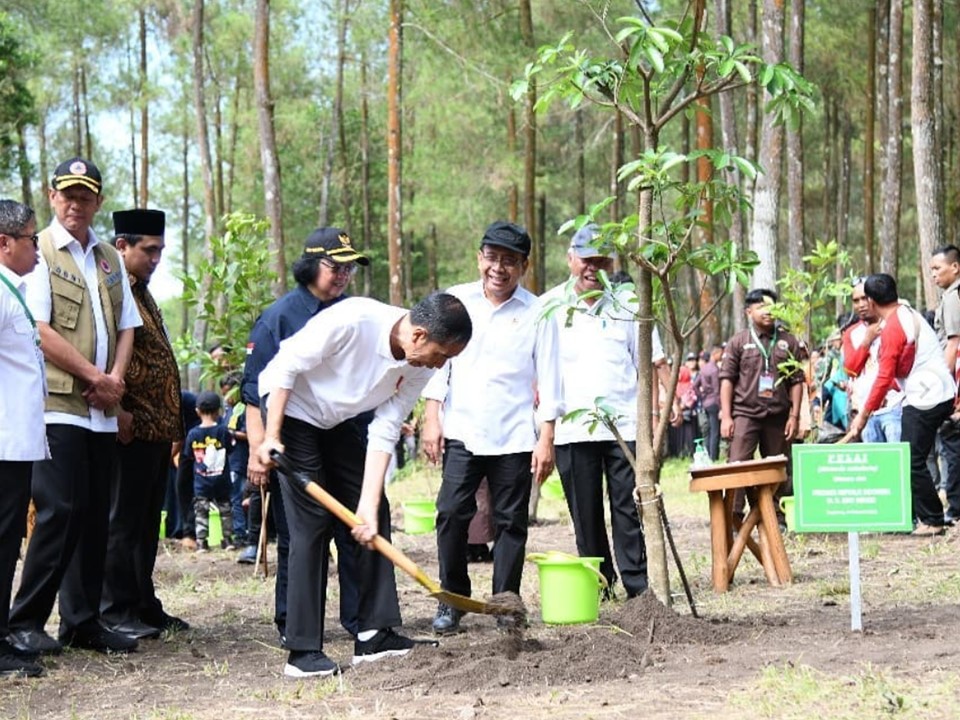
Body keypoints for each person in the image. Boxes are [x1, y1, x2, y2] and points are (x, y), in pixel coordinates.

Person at [257, 291, 472, 677]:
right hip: (290, 409)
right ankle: (303, 652)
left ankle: (374, 633)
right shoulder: (354, 320)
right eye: (442, 355)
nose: (440, 367)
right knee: (311, 526)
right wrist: (270, 435)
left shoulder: (421, 366)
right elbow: (284, 367)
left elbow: (386, 427)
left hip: (336, 419)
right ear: (419, 335)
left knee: (376, 512)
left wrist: (367, 507)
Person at [9, 158, 142, 657]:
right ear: (51, 196)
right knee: (58, 512)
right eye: (66, 194)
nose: (75, 203)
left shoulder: (108, 257)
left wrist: (116, 383)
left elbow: (127, 325)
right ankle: (25, 621)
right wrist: (95, 378)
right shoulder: (39, 251)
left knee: (93, 517)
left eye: (85, 196)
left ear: (98, 203)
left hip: (102, 411)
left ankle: (82, 621)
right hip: (60, 405)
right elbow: (39, 331)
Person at [421, 220, 562, 635]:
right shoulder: (455, 301)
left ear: (524, 266)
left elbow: (550, 378)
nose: (499, 268)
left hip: (515, 435)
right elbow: (437, 360)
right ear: (479, 257)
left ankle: (505, 603)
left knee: (510, 523)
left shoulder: (538, 312)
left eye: (510, 261)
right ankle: (453, 597)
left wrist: (547, 437)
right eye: (493, 258)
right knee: (449, 513)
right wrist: (432, 417)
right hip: (463, 430)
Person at [240, 227, 371, 638]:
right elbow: (252, 391)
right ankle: (293, 622)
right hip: (293, 441)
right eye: (335, 267)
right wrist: (258, 449)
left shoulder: (353, 312)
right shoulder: (278, 318)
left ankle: (361, 621)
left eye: (349, 268)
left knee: (354, 530)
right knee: (301, 538)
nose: (343, 275)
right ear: (310, 265)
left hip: (346, 436)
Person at [543, 224, 657, 599]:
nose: (593, 267)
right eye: (586, 259)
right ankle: (600, 582)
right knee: (585, 511)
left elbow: (648, 365)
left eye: (601, 260)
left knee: (627, 506)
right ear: (570, 259)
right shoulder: (549, 307)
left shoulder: (629, 303)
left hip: (624, 425)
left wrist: (652, 420)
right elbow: (538, 368)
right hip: (572, 428)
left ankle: (637, 585)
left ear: (612, 262)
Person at [101, 208, 189, 639]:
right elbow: (103, 355)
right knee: (121, 523)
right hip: (129, 429)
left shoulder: (144, 292)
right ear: (122, 246)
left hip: (156, 430)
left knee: (144, 523)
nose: (155, 258)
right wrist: (118, 412)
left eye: (159, 251)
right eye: (148, 250)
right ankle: (114, 609)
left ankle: (141, 601)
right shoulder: (112, 291)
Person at [846, 274, 955, 535]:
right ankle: (930, 516)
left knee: (910, 458)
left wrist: (862, 416)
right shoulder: (905, 312)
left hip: (926, 397)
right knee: (914, 457)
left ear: (872, 301)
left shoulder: (893, 327)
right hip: (934, 391)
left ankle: (931, 520)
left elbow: (884, 375)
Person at [0, 200, 46, 677]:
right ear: (4, 242)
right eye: (32, 239)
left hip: (16, 445)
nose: (37, 247)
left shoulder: (11, 291)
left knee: (7, 541)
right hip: (3, 444)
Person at [719, 288, 806, 527]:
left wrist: (794, 416)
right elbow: (726, 379)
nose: (767, 311)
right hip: (745, 414)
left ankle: (775, 517)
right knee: (738, 462)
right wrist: (726, 416)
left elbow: (797, 381)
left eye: (771, 306)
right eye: (760, 306)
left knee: (778, 465)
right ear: (749, 311)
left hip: (778, 416)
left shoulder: (788, 341)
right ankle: (734, 516)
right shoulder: (739, 342)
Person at [842, 280, 903, 444]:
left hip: (894, 405)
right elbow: (850, 370)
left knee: (897, 462)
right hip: (865, 410)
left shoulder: (894, 323)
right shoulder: (851, 333)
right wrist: (866, 341)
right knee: (875, 465)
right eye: (856, 301)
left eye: (865, 298)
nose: (861, 304)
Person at [179, 391, 235, 552]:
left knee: (201, 513)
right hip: (222, 480)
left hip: (201, 481)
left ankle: (202, 542)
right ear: (218, 411)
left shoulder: (193, 433)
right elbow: (231, 448)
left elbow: (188, 455)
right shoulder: (223, 431)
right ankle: (227, 540)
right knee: (225, 511)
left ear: (197, 411)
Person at [929, 246, 960, 524]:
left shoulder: (953, 298)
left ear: (955, 267)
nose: (934, 275)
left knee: (952, 442)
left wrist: (944, 385)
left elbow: (954, 343)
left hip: (955, 382)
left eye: (937, 268)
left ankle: (956, 509)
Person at [221, 375, 249, 541]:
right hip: (229, 460)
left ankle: (241, 532)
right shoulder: (228, 411)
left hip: (240, 459)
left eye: (229, 394)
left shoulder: (243, 409)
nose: (227, 398)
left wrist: (231, 433)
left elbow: (249, 433)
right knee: (234, 496)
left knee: (237, 496)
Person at [695, 345, 722, 460]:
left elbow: (695, 385)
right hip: (714, 402)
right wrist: (721, 407)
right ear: (715, 354)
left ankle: (708, 454)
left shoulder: (703, 368)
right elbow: (717, 390)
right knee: (715, 431)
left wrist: (701, 396)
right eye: (721, 354)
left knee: (708, 431)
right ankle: (713, 456)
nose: (721, 356)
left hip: (706, 402)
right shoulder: (715, 369)